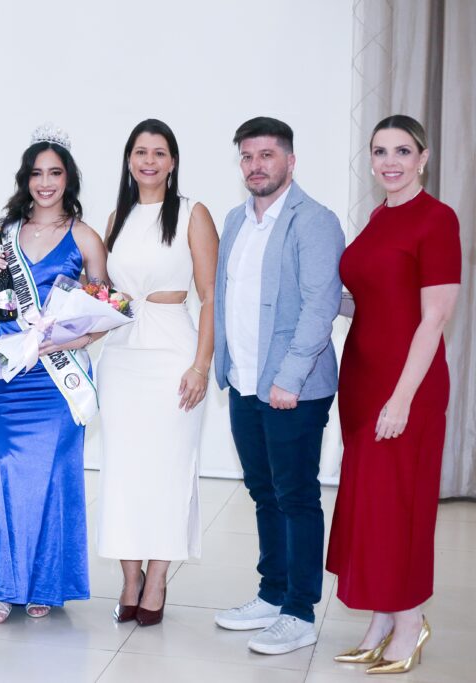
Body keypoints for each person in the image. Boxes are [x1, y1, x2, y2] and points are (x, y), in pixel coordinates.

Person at [326, 115, 461, 675]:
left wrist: (401, 399)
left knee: (401, 505)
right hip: (362, 378)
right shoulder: (380, 217)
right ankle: (382, 617)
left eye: (402, 151)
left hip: (407, 387)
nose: (390, 161)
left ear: (423, 158)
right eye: (380, 151)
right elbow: (374, 300)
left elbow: (434, 318)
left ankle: (410, 620)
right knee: (371, 507)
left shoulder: (437, 219)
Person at [212, 117, 344, 654]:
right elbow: (225, 299)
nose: (256, 166)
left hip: (294, 388)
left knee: (296, 495)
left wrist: (288, 378)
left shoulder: (314, 221)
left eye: (267, 155)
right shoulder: (235, 220)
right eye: (247, 156)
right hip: (244, 381)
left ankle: (299, 611)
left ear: (290, 161)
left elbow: (320, 306)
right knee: (262, 491)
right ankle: (271, 593)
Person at [0, 126, 108, 623]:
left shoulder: (86, 237)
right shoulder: (0, 231)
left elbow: (103, 315)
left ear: (68, 178)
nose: (44, 182)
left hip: (58, 376)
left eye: (54, 172)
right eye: (36, 173)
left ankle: (44, 580)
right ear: (25, 179)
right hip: (12, 372)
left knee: (51, 477)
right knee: (0, 471)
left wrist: (65, 341)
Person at [96, 119, 218, 626]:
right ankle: (129, 577)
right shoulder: (115, 218)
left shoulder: (193, 213)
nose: (149, 160)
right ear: (129, 160)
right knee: (123, 470)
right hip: (122, 356)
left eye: (159, 152)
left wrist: (201, 364)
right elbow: (101, 295)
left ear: (172, 162)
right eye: (140, 151)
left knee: (168, 469)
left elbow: (211, 296)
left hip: (174, 353)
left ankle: (160, 575)